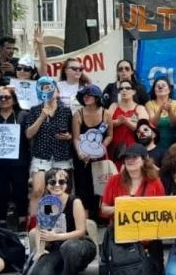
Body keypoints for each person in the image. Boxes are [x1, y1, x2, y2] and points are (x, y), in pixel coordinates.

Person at [27, 169, 96, 275]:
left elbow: (81, 232)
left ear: (66, 184)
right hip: (56, 246)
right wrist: (40, 249)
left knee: (69, 246)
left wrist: (56, 236)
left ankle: (70, 273)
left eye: (61, 182)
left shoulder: (75, 201)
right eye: (52, 182)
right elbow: (39, 229)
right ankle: (59, 267)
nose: (57, 185)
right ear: (47, 185)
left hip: (79, 244)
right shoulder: (45, 203)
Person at [24, 82, 73, 217]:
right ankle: (33, 224)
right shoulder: (35, 110)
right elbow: (28, 134)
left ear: (58, 93)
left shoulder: (66, 111)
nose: (49, 91)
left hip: (61, 156)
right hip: (41, 155)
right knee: (37, 190)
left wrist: (68, 136)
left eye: (52, 88)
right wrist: (41, 116)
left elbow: (73, 133)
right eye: (45, 88)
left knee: (61, 191)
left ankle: (61, 222)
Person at [0, 86, 30, 229]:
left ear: (14, 100)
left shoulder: (23, 115)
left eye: (7, 97)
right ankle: (1, 221)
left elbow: (28, 137)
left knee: (20, 190)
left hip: (19, 161)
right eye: (0, 97)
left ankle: (22, 219)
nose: (3, 100)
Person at [72, 85, 112, 219]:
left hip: (99, 156)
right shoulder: (78, 114)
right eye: (84, 95)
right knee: (83, 186)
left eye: (89, 94)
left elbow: (109, 135)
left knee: (99, 185)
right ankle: (84, 217)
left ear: (97, 97)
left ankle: (98, 216)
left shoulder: (105, 113)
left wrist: (102, 148)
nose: (86, 97)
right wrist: (80, 153)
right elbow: (76, 138)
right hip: (82, 157)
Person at [99, 144, 165, 221]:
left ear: (144, 160)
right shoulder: (114, 180)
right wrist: (118, 207)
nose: (130, 160)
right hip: (120, 229)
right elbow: (103, 209)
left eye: (134, 157)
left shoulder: (155, 181)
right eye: (127, 157)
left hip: (147, 228)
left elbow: (162, 207)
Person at [107, 79, 148, 169]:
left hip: (133, 151)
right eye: (121, 89)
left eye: (127, 88)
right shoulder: (114, 106)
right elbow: (105, 124)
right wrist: (117, 122)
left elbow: (144, 130)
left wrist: (126, 122)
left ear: (133, 91)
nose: (124, 90)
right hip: (115, 150)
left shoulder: (140, 108)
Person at [146, 77, 176, 151]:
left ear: (169, 89)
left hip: (173, 144)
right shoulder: (150, 104)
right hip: (155, 144)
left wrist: (170, 111)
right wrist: (160, 110)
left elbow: (174, 124)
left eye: (163, 85)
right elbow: (153, 124)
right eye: (157, 86)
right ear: (154, 90)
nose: (160, 87)